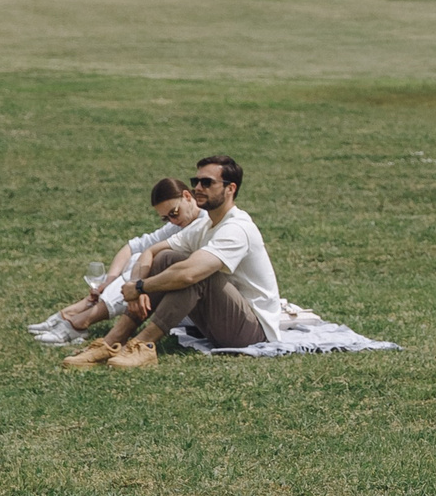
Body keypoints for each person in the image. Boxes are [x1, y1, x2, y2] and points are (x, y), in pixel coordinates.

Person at [64, 155, 285, 370]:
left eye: (207, 182)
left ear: (230, 189)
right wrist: (136, 285)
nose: (198, 187)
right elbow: (151, 251)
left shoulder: (237, 228)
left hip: (252, 332)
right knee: (167, 258)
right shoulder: (205, 225)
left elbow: (189, 274)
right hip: (219, 321)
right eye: (195, 181)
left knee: (196, 275)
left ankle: (144, 344)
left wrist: (140, 287)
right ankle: (112, 341)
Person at [50, 178, 205, 333]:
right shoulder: (178, 224)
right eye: (166, 218)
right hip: (183, 304)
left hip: (198, 304)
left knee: (156, 260)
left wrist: (137, 288)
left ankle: (80, 320)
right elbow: (131, 247)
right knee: (138, 259)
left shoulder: (203, 222)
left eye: (174, 213)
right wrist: (109, 281)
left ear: (187, 196)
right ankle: (79, 312)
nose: (172, 220)